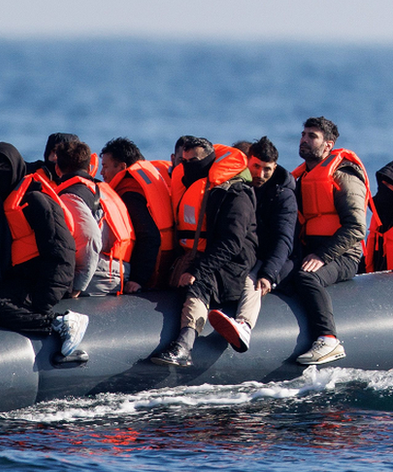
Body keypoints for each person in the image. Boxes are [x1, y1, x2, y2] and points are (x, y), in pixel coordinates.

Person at [152, 137, 257, 367]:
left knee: (199, 282)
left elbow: (231, 243)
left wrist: (197, 270)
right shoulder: (187, 184)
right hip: (197, 255)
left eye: (195, 161)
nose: (188, 166)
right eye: (185, 161)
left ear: (210, 160)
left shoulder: (235, 193)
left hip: (233, 262)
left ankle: (184, 345)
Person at [0, 142, 88, 359]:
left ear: (17, 167)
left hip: (45, 281)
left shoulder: (35, 199)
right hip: (23, 276)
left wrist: (44, 301)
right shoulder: (1, 199)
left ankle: (59, 322)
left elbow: (62, 251)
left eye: (5, 168)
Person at [286, 117, 369, 365]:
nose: (304, 139)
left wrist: (322, 256)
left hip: (343, 255)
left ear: (328, 145)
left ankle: (329, 339)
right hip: (311, 250)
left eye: (312, 136)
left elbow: (356, 227)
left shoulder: (344, 176)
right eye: (303, 134)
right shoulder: (303, 178)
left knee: (307, 277)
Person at [207, 137, 297, 351]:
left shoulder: (283, 196)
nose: (261, 174)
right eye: (256, 166)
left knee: (252, 279)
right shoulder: (238, 187)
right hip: (247, 252)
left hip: (276, 258)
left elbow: (284, 240)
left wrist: (269, 273)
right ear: (247, 162)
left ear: (275, 168)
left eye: (267, 169)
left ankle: (244, 325)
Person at [51, 134, 133, 296]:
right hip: (119, 268)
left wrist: (77, 288)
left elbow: (90, 239)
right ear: (89, 168)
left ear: (57, 169)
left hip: (102, 274)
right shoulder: (100, 188)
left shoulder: (71, 196)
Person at [100, 137, 175, 291]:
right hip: (169, 264)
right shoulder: (145, 181)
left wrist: (138, 280)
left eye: (105, 167)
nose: (101, 173)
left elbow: (150, 236)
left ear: (122, 167)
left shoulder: (130, 194)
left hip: (152, 275)